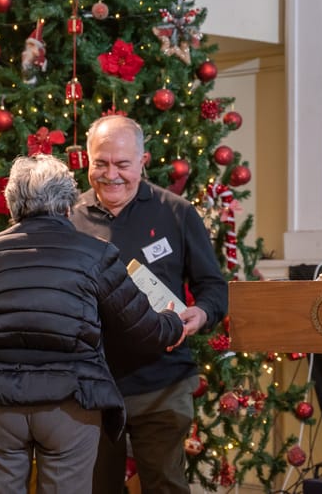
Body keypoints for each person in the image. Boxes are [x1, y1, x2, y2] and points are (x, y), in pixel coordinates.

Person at [0, 154, 186, 494]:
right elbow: (143, 328)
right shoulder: (97, 253)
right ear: (69, 203)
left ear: (13, 204)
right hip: (68, 401)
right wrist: (173, 320)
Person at [69, 115, 228, 493]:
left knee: (165, 486)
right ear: (87, 160)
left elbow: (214, 288)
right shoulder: (68, 219)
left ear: (143, 160)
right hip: (90, 386)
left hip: (163, 382)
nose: (111, 175)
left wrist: (201, 312)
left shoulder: (176, 212)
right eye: (101, 163)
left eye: (123, 164)